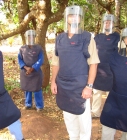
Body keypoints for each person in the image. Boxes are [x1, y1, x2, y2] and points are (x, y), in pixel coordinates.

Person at [50, 5, 100, 140]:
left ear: (80, 18)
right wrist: (53, 81)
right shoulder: (60, 38)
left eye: (76, 15)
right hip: (64, 86)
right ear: (66, 18)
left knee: (83, 122)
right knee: (69, 119)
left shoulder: (87, 37)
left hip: (81, 87)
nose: (73, 18)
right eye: (70, 16)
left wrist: (89, 86)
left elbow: (93, 64)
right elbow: (56, 62)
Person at [91, 14, 120, 118]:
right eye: (106, 22)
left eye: (109, 22)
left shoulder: (117, 37)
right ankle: (95, 112)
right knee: (96, 92)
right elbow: (92, 51)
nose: (107, 23)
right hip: (98, 69)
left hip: (111, 70)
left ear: (113, 24)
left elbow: (121, 53)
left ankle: (109, 113)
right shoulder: (98, 37)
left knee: (110, 94)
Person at [18, 29, 44, 112]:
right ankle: (28, 104)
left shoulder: (38, 48)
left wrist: (32, 68)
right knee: (27, 89)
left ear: (35, 37)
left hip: (36, 73)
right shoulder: (22, 49)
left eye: (32, 36)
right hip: (26, 73)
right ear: (26, 37)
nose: (30, 38)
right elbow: (20, 59)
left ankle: (39, 106)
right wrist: (26, 68)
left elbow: (40, 60)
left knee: (37, 89)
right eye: (29, 36)